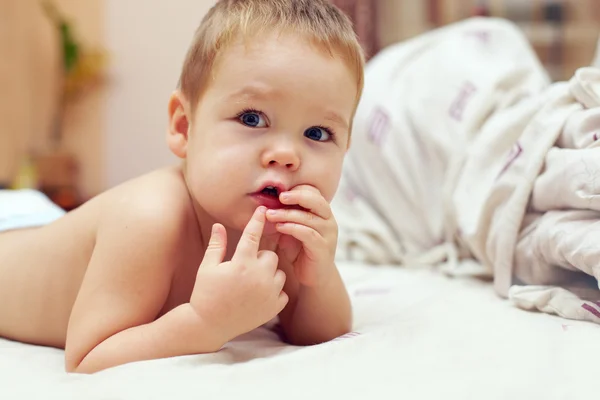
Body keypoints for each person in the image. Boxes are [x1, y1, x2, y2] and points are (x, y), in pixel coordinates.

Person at [0, 0, 364, 374]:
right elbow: (87, 358)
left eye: (318, 133)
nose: (287, 155)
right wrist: (204, 323)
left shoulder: (281, 229)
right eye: (252, 118)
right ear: (184, 128)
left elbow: (321, 334)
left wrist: (317, 278)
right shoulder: (150, 218)